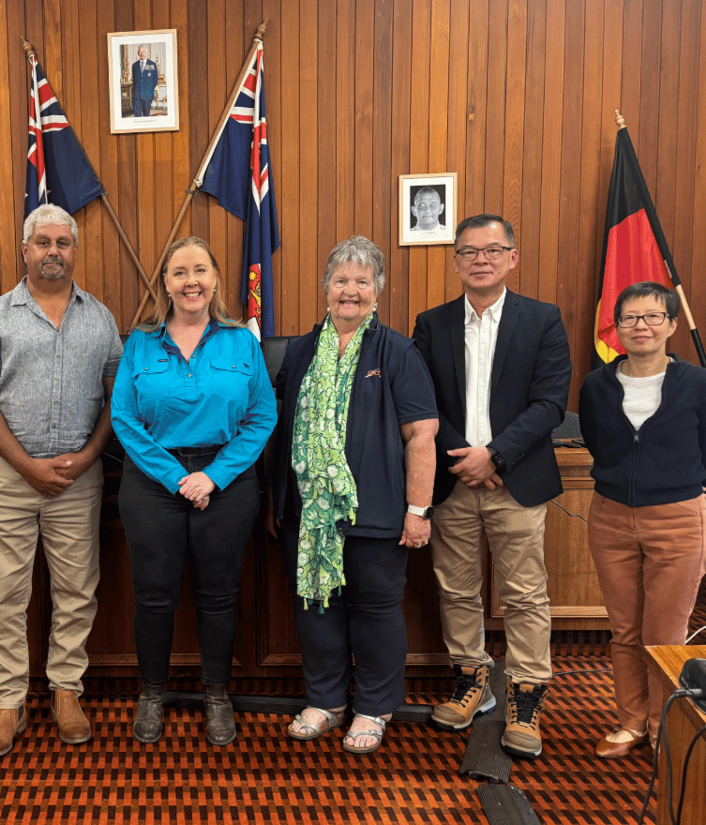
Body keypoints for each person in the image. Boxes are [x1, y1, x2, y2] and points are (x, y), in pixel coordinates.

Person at [0, 203, 122, 758]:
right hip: (9, 478)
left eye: (63, 242)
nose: (54, 251)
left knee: (77, 591)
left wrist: (89, 454)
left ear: (75, 250)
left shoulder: (99, 318)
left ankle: (66, 692)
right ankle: (8, 701)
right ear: (24, 250)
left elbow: (113, 399)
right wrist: (28, 466)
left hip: (79, 478)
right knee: (6, 593)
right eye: (43, 242)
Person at [267, 236, 438, 755]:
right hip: (308, 515)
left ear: (378, 290)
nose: (350, 290)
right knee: (316, 608)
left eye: (362, 281)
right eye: (341, 280)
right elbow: (276, 429)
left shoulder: (398, 351)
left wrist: (417, 510)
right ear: (325, 288)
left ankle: (373, 708)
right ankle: (326, 701)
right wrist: (278, 503)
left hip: (377, 513)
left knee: (375, 613)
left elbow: (422, 435)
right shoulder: (298, 350)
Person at [413, 213, 572, 759]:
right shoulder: (431, 324)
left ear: (512, 257)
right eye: (469, 251)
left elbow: (551, 403)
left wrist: (495, 455)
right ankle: (470, 679)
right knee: (456, 588)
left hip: (516, 478)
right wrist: (466, 458)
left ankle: (526, 697)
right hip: (454, 479)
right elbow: (422, 402)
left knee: (525, 595)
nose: (481, 259)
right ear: (456, 261)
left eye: (492, 250)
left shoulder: (543, 320)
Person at [111, 236, 274, 746]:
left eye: (200, 270)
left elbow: (261, 416)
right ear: (165, 282)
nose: (191, 281)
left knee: (219, 596)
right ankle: (152, 693)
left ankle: (217, 695)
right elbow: (124, 417)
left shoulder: (240, 340)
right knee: (153, 596)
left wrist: (213, 477)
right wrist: (176, 478)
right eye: (179, 272)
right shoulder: (139, 341)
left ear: (216, 278)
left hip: (224, 483)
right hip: (153, 483)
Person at [579, 281, 706, 758]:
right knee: (625, 630)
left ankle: (663, 724)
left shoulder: (696, 383)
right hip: (610, 518)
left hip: (677, 518)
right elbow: (596, 440)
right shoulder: (597, 384)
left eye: (653, 317)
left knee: (665, 634)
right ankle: (631, 721)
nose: (641, 326)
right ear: (617, 329)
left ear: (672, 324)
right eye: (630, 318)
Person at [131, 46, 159, 117]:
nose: (142, 54)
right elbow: (134, 80)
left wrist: (149, 90)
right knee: (137, 117)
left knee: (146, 116)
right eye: (140, 52)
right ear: (138, 53)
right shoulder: (135, 65)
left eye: (143, 52)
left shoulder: (152, 64)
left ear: (146, 52)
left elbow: (155, 80)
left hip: (147, 95)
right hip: (136, 95)